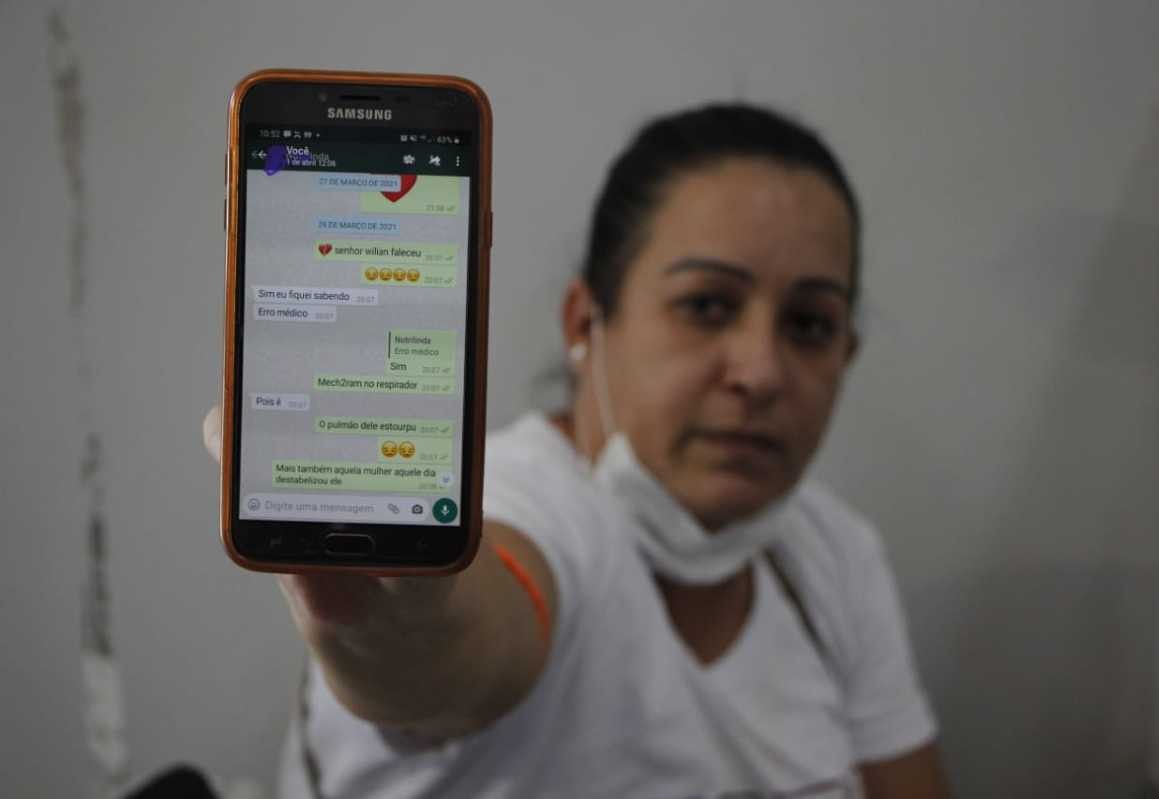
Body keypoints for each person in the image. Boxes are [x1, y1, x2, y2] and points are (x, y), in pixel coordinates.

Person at [204, 103, 951, 798]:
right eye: (706, 305)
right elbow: (468, 642)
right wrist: (394, 617)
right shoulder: (525, 501)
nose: (760, 372)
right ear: (585, 323)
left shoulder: (833, 553)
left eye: (810, 324)